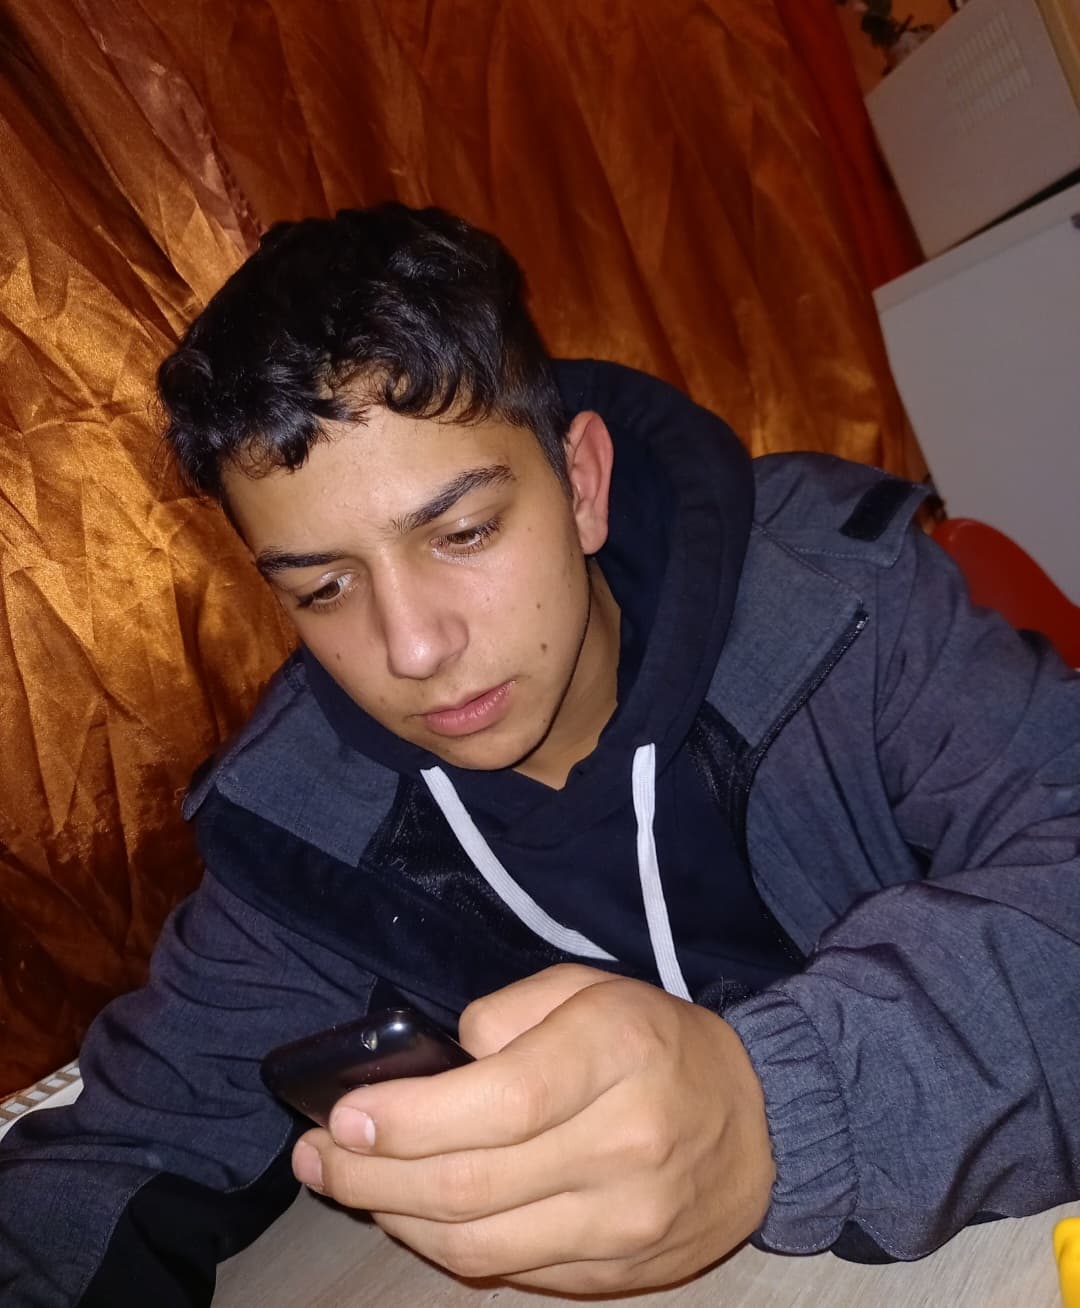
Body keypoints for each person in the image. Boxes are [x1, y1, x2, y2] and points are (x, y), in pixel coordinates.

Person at [1, 203, 1078, 1307]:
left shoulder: (838, 603)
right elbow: (119, 1153)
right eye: (323, 588)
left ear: (582, 483)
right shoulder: (297, 831)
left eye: (463, 532)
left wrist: (769, 1107)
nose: (414, 647)